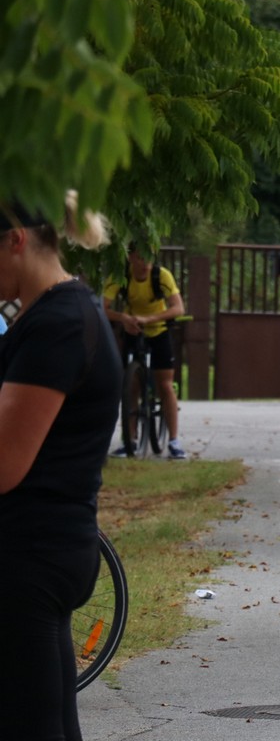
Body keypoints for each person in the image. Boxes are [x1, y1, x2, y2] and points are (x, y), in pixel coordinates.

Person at [0, 193, 122, 741]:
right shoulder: (51, 316)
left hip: (29, 557)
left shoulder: (60, 325)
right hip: (40, 549)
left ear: (16, 241)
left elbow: (4, 463)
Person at [103, 246, 187, 459]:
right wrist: (124, 318)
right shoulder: (120, 276)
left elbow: (178, 308)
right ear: (130, 258)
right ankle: (129, 439)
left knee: (165, 385)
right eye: (139, 258)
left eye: (148, 259)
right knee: (131, 386)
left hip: (158, 330)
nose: (144, 264)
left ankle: (174, 441)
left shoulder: (162, 275)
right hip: (133, 329)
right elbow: (102, 308)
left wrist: (150, 319)